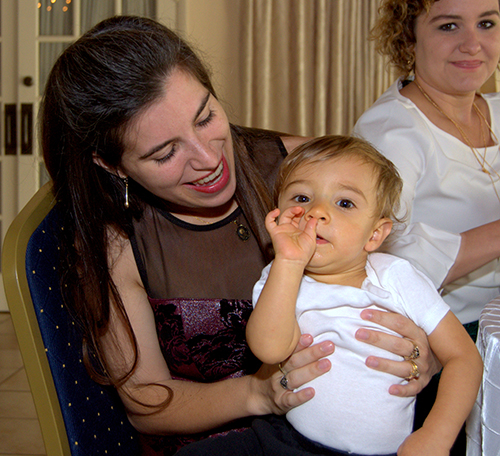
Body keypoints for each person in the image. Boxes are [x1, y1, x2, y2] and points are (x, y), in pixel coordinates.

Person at [40, 15, 440, 456]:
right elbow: (147, 403)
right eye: (166, 152)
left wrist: (426, 353)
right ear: (112, 165)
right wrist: (258, 393)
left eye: (206, 116)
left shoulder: (307, 175)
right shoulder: (114, 241)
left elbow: (401, 267)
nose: (207, 157)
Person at [245, 136, 481, 456]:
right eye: (301, 197)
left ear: (375, 234)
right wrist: (288, 261)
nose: (316, 212)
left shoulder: (396, 277)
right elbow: (270, 350)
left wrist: (436, 435)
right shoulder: (281, 277)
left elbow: (464, 357)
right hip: (288, 442)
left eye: (344, 203)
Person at [353, 0, 500, 453]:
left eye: (488, 23)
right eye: (449, 25)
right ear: (408, 36)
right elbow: (378, 258)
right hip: (445, 346)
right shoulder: (391, 132)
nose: (472, 43)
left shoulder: (494, 109)